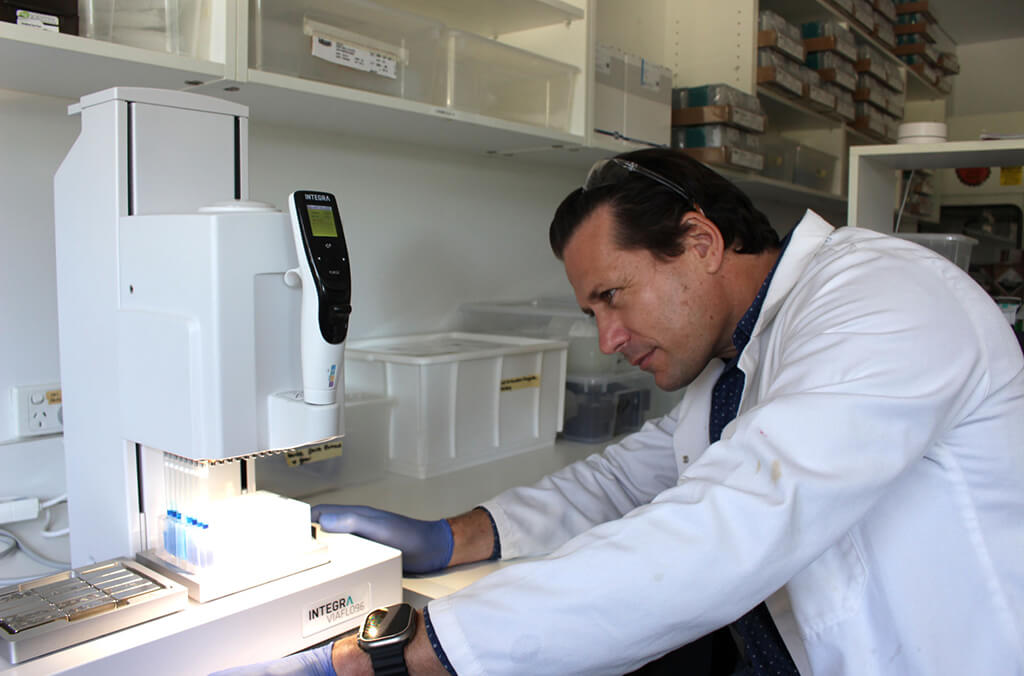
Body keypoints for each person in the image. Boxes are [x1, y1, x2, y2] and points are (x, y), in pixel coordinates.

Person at [214, 148, 1024, 676]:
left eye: (612, 296)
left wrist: (405, 654)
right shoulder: (733, 364)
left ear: (700, 244)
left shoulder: (884, 299)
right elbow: (623, 481)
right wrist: (448, 537)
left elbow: (727, 525)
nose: (606, 340)